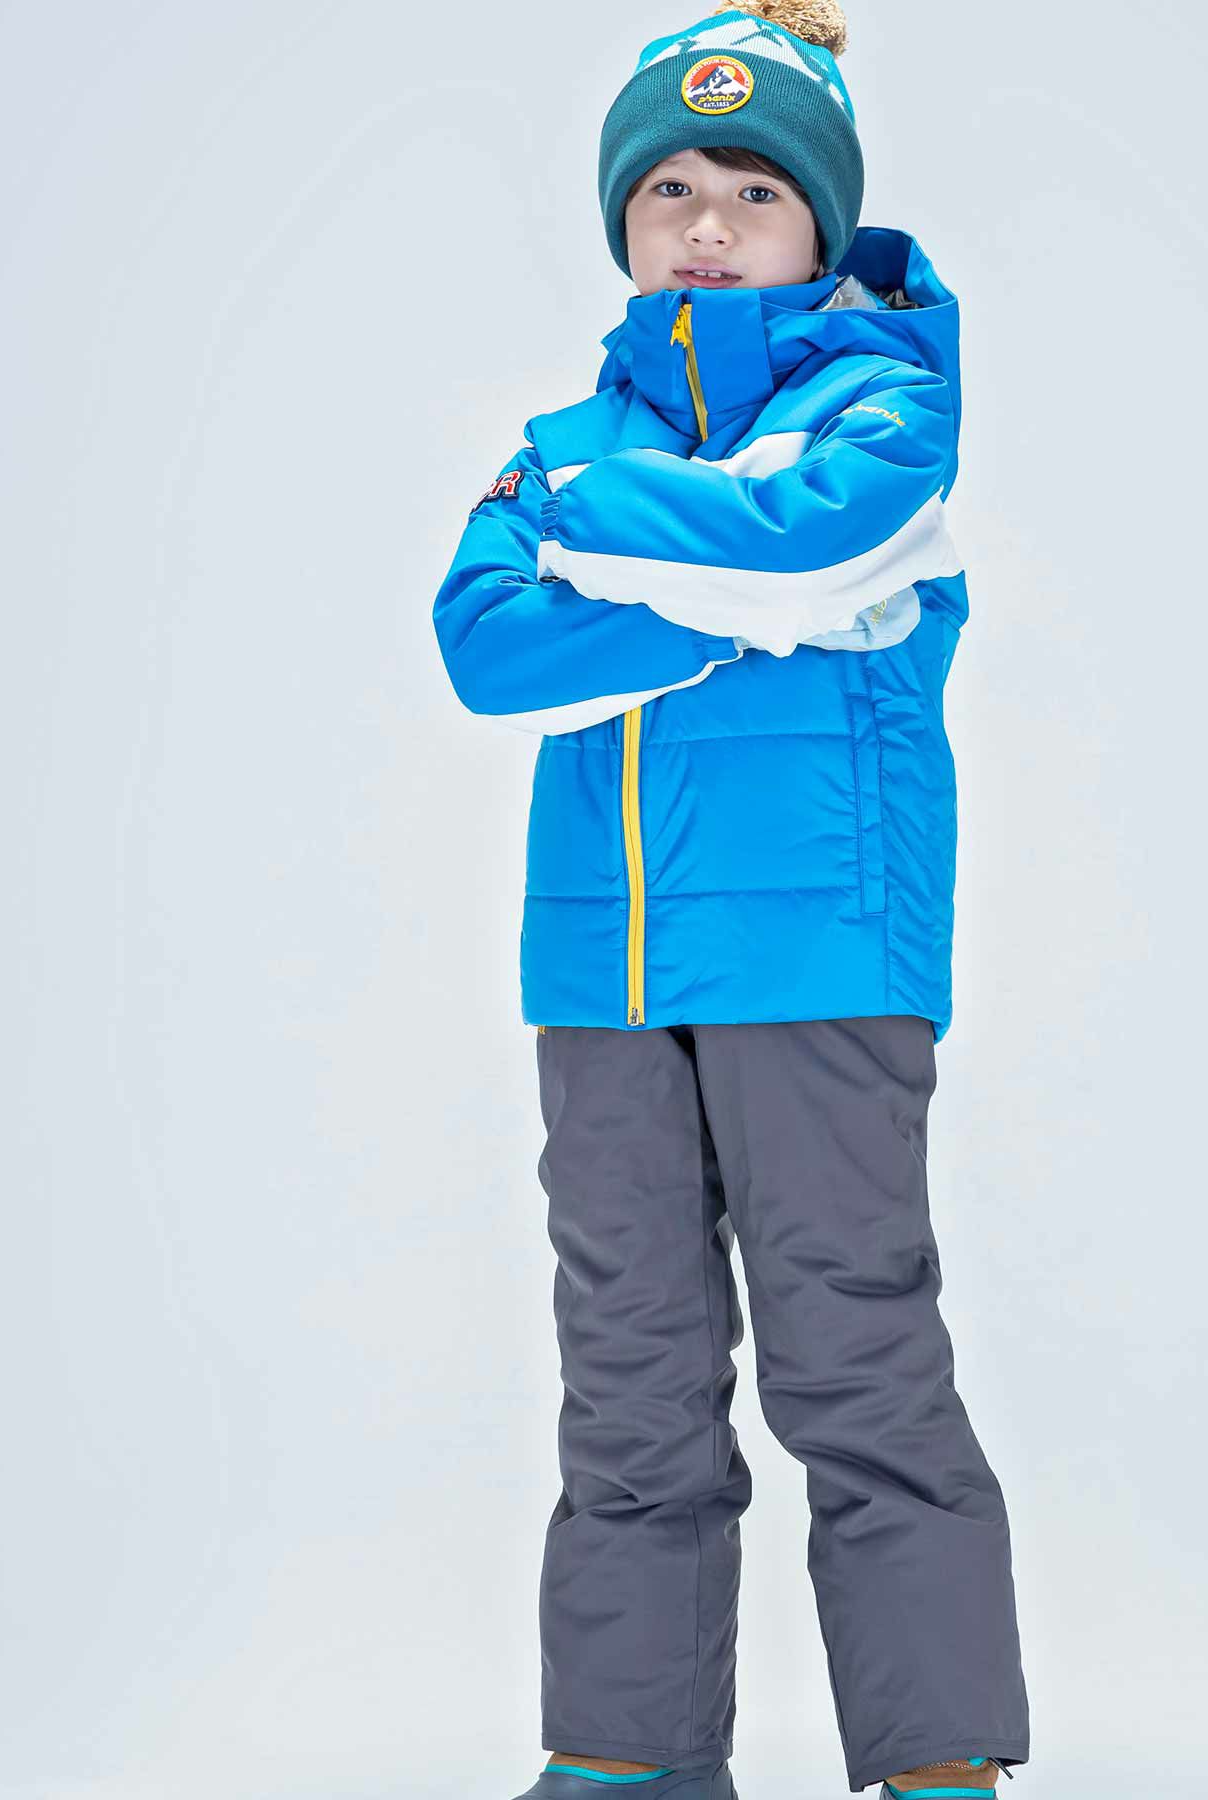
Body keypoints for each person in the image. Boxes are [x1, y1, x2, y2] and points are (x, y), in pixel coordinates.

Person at [429, 3, 1031, 1796]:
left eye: (756, 191)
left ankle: (939, 1767)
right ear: (623, 218)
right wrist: (726, 587)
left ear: (821, 222)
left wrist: (603, 538)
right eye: (670, 189)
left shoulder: (885, 404)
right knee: (627, 1373)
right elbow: (485, 647)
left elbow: (820, 540)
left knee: (855, 1360)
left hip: (816, 948)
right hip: (603, 966)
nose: (706, 223)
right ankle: (630, 1759)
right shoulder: (560, 432)